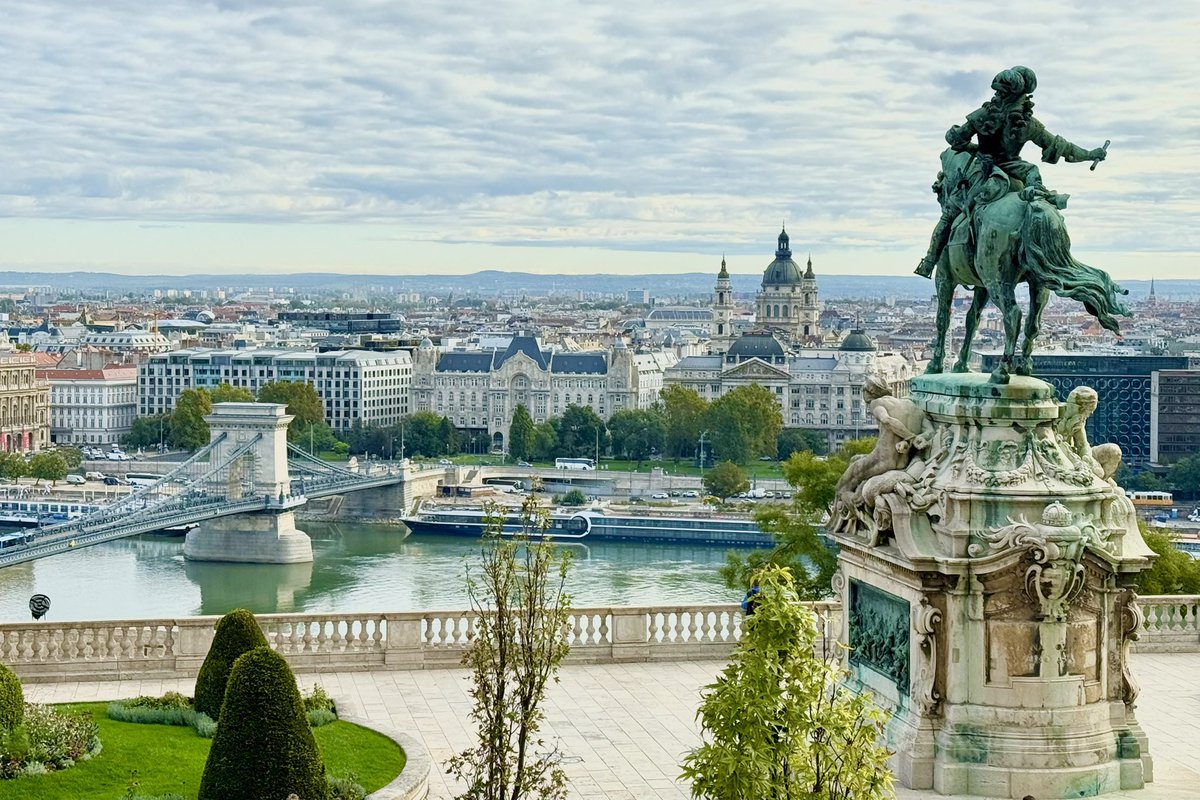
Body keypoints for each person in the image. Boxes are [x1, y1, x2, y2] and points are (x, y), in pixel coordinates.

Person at [916, 66, 1110, 278]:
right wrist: (1091, 154)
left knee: (949, 214)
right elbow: (1060, 147)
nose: (996, 95)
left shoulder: (982, 116)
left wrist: (963, 139)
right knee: (1034, 182)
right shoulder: (1028, 124)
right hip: (1018, 171)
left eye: (999, 91)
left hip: (985, 172)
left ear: (1005, 94)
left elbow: (956, 140)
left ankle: (929, 262)